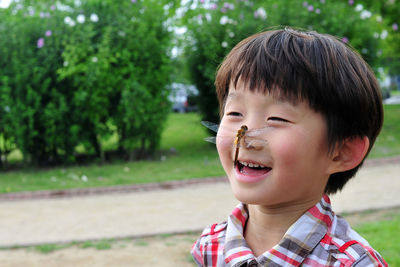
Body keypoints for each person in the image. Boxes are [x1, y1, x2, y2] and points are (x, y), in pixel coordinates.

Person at [191, 27, 388, 266]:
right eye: (234, 113)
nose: (245, 137)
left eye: (277, 118)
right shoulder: (211, 246)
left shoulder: (352, 263)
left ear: (342, 153)